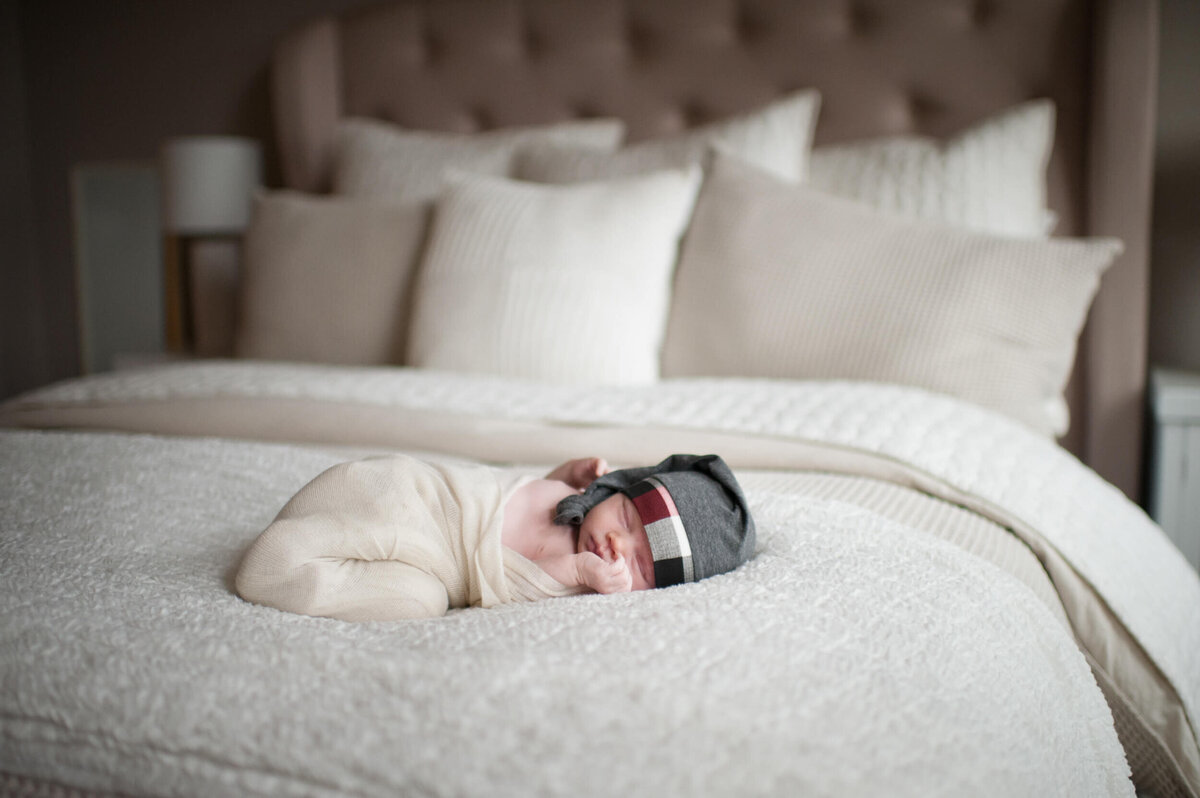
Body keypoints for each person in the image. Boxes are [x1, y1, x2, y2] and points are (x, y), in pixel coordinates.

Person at [235, 453, 755, 622]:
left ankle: (289, 565)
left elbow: (509, 583)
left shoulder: (573, 576)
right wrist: (566, 473)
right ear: (614, 490)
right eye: (623, 516)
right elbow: (523, 493)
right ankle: (317, 528)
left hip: (436, 558)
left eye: (640, 565)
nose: (616, 545)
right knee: (386, 495)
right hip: (431, 497)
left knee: (419, 601)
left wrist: (580, 572)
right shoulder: (578, 497)